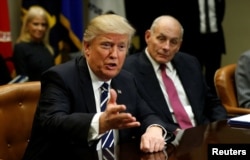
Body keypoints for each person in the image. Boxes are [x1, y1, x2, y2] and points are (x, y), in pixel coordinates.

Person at [22, 14, 173, 160]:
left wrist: (154, 129)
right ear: (87, 47)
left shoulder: (126, 80)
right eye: (106, 45)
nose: (114, 54)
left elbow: (147, 114)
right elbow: (53, 121)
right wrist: (100, 123)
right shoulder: (60, 77)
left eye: (121, 47)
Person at [123, 15, 227, 133]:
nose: (166, 47)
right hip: (166, 139)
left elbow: (211, 102)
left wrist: (222, 126)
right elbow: (137, 116)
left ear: (179, 45)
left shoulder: (190, 63)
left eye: (173, 42)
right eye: (161, 39)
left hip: (203, 133)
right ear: (148, 37)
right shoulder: (129, 70)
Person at [12, 5, 55, 81]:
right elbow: (23, 80)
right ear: (27, 25)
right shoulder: (21, 48)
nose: (40, 28)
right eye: (35, 24)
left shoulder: (48, 48)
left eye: (43, 25)